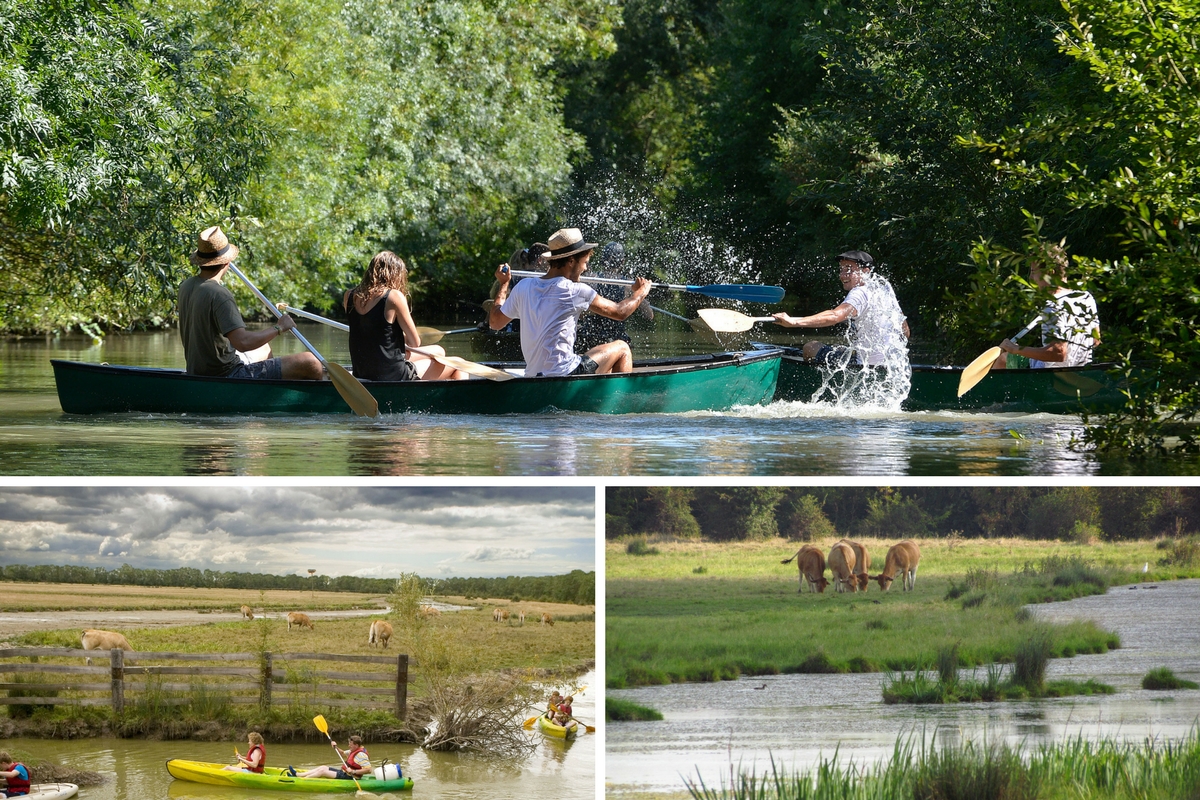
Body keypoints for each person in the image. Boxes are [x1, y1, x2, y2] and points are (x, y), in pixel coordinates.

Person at [488, 228, 652, 376]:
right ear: (572, 261)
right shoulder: (575, 290)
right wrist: (641, 292)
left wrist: (504, 284)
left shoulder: (523, 286)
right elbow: (620, 312)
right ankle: (619, 405)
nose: (586, 269)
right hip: (565, 373)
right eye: (585, 263)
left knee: (598, 360)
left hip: (533, 375)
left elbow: (495, 322)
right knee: (622, 347)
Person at [177, 226, 323, 380]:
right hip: (227, 374)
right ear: (227, 262)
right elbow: (242, 343)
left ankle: (266, 391)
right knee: (311, 362)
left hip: (197, 372)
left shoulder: (186, 286)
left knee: (263, 348)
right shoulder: (219, 294)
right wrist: (279, 327)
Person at [771, 250, 910, 366]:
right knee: (844, 348)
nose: (843, 275)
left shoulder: (860, 292)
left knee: (810, 347)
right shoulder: (884, 290)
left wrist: (794, 322)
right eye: (841, 269)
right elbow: (905, 332)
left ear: (866, 272)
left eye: (849, 270)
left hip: (864, 367)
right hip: (893, 366)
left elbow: (835, 316)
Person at [344, 251, 466, 381]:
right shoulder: (394, 296)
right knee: (459, 364)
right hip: (391, 375)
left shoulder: (349, 296)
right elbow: (414, 342)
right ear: (396, 274)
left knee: (439, 351)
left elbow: (372, 332)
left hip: (361, 372)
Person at [996, 243, 1099, 368]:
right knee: (1004, 358)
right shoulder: (1086, 297)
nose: (1031, 277)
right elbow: (1095, 341)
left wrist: (1014, 349)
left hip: (1051, 377)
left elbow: (1058, 353)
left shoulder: (1053, 307)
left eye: (1034, 272)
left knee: (1000, 359)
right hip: (1082, 370)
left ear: (1049, 271)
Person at [575, 242, 654, 352]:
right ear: (622, 262)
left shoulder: (590, 279)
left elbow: (579, 314)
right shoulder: (629, 286)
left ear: (602, 260)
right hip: (615, 341)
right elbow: (649, 315)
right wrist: (640, 292)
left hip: (589, 340)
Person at [300, 735, 371, 780]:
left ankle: (302, 780)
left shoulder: (361, 755)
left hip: (351, 776)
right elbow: (342, 753)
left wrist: (353, 771)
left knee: (322, 772)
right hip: (345, 773)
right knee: (323, 767)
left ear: (356, 745)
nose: (349, 746)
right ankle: (298, 775)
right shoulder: (354, 750)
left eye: (350, 745)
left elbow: (368, 770)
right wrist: (335, 747)